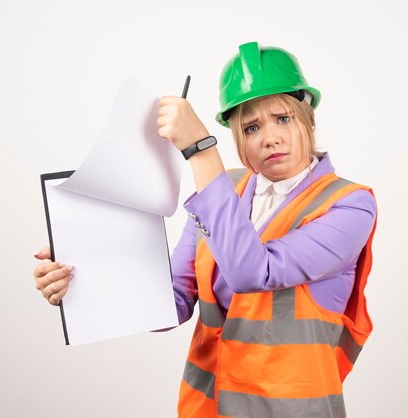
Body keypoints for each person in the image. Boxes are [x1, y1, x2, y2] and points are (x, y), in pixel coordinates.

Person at [33, 41, 377, 418]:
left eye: (283, 118)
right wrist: (81, 276)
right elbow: (171, 303)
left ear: (307, 117)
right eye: (251, 127)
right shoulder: (223, 190)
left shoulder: (349, 204)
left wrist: (200, 150)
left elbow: (254, 272)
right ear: (237, 136)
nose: (269, 138)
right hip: (208, 408)